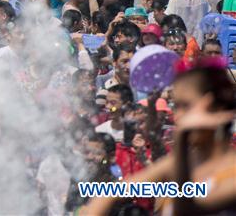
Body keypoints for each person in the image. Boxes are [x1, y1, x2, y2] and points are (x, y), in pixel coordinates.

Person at [83, 57, 236, 215]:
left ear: (214, 107)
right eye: (177, 106)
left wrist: (182, 140)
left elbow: (189, 207)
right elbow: (108, 195)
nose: (177, 117)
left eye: (186, 106)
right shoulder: (176, 163)